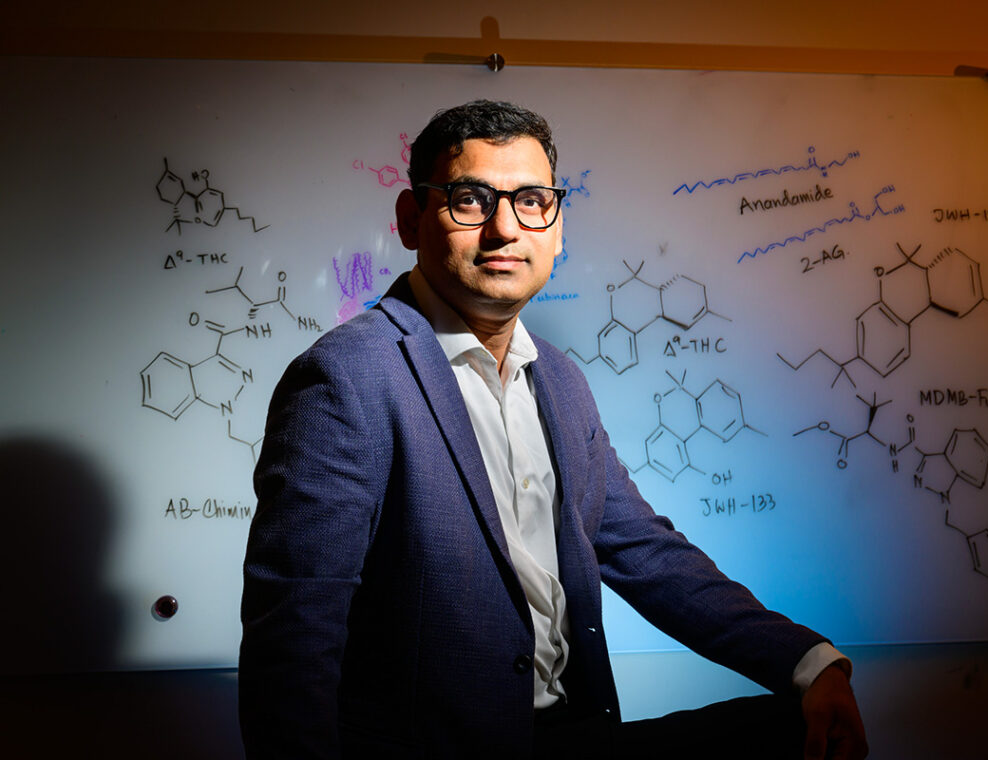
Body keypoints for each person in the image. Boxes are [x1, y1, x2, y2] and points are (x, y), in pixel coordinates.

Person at [239, 100, 867, 759]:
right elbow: (294, 637)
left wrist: (809, 661)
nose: (505, 229)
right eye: (470, 200)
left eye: (531, 200)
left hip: (576, 736)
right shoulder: (345, 378)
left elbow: (648, 554)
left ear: (557, 225)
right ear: (409, 218)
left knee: (794, 729)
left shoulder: (560, 380)